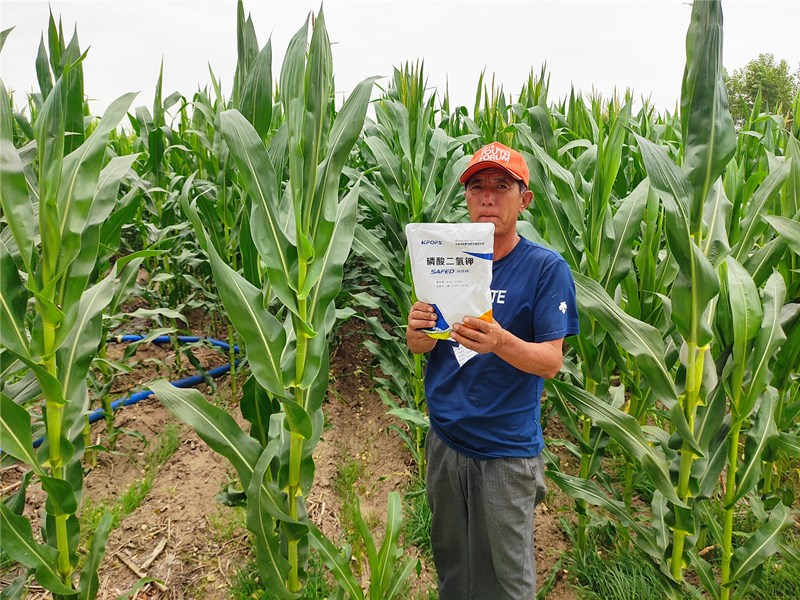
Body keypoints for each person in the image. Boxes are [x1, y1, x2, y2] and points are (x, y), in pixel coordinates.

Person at [406, 141, 579, 599]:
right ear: (465, 197)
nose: (487, 196)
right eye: (477, 186)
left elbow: (551, 361)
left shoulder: (545, 269)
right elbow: (421, 345)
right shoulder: (444, 260)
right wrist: (418, 330)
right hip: (445, 441)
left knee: (507, 579)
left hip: (506, 452)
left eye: (501, 186)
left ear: (524, 199)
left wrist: (500, 341)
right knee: (453, 566)